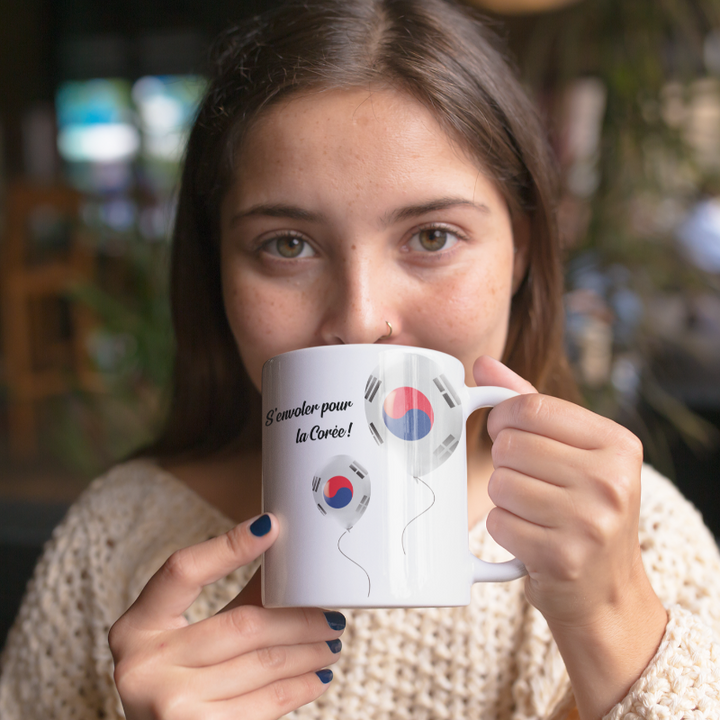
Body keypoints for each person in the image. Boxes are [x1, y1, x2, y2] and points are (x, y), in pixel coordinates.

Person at [1, 1, 719, 718]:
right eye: (287, 244)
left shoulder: (644, 540)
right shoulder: (113, 540)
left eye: (433, 237)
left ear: (523, 249)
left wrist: (613, 628)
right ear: (215, 267)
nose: (359, 319)